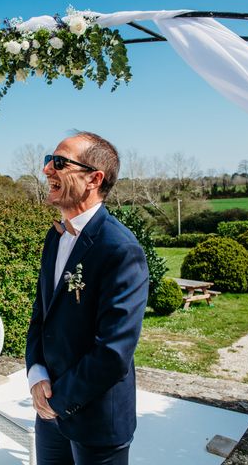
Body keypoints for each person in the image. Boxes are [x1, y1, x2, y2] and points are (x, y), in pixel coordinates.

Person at [25, 132, 149, 464]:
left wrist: (59, 401)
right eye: (49, 160)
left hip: (95, 419)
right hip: (48, 413)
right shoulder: (55, 237)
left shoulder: (120, 249)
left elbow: (113, 352)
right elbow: (42, 313)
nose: (48, 170)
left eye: (60, 162)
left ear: (94, 178)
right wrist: (36, 373)